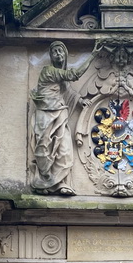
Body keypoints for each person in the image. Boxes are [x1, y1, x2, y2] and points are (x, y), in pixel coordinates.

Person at [29, 41, 97, 195]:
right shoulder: (48, 71)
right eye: (55, 52)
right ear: (51, 56)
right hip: (46, 114)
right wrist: (92, 55)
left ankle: (61, 183)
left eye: (61, 52)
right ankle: (43, 181)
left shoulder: (61, 80)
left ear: (65, 56)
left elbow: (68, 92)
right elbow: (74, 75)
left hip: (60, 114)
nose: (58, 54)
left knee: (65, 149)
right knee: (43, 146)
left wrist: (80, 100)